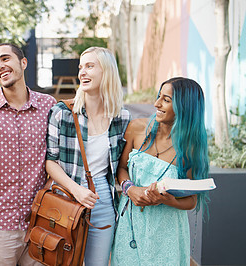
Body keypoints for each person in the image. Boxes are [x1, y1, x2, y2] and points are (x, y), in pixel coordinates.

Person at [0, 43, 56, 265]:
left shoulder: (48, 105)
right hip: (1, 223)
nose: (0, 66)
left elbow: (56, 159)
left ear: (23, 62)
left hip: (41, 222)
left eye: (5, 59)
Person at [46, 46, 130, 265]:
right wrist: (76, 190)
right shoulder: (62, 113)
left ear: (107, 72)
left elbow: (123, 163)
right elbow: (50, 162)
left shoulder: (121, 118)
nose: (82, 72)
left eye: (90, 66)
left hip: (102, 198)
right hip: (66, 196)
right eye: (80, 67)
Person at [111, 77, 209, 265]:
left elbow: (192, 201)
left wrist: (168, 199)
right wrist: (130, 188)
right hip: (130, 227)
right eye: (159, 96)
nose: (156, 104)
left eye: (166, 100)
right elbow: (121, 168)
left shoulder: (191, 148)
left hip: (168, 232)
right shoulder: (136, 128)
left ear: (184, 106)